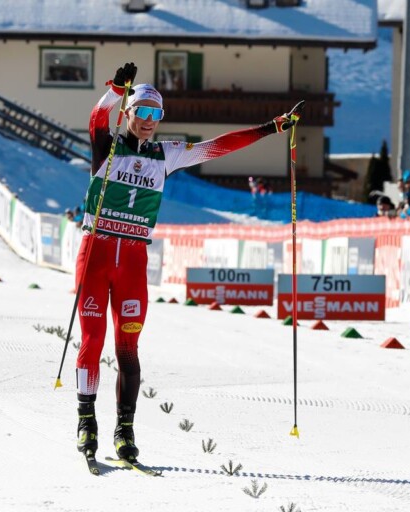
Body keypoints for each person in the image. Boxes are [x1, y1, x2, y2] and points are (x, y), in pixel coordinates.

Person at [74, 62, 302, 462]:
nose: (147, 121)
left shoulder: (168, 155)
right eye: (141, 111)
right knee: (93, 341)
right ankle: (86, 420)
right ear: (129, 114)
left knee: (128, 346)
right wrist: (115, 90)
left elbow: (218, 146)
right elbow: (96, 117)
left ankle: (124, 431)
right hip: (95, 253)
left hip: (131, 260)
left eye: (155, 114)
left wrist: (270, 128)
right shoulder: (106, 145)